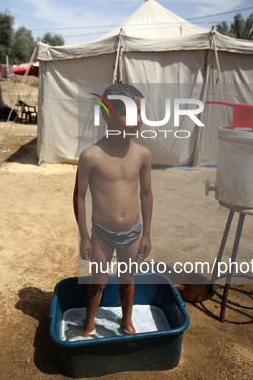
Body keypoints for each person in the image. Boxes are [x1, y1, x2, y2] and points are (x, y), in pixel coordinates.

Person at [74, 83, 153, 337]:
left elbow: (146, 194)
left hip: (132, 232)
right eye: (128, 114)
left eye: (139, 113)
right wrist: (84, 236)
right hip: (102, 233)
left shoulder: (142, 154)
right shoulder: (91, 156)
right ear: (107, 115)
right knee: (98, 281)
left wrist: (147, 234)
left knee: (127, 279)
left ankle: (127, 320)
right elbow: (79, 195)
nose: (136, 121)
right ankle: (90, 322)